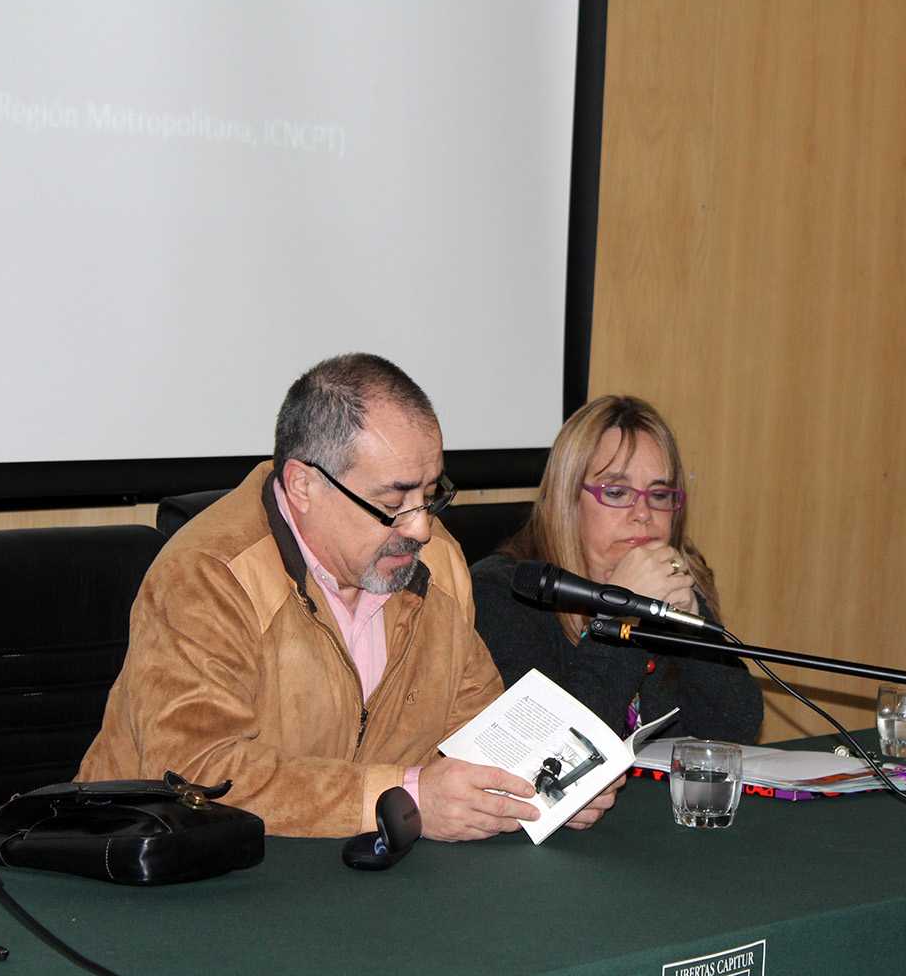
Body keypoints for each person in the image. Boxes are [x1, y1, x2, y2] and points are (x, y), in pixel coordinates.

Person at [77, 353, 618, 841]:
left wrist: (543, 783)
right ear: (303, 486)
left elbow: (476, 728)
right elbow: (197, 773)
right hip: (163, 870)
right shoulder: (208, 575)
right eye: (393, 502)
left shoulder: (436, 564)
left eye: (431, 494)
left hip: (355, 878)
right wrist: (404, 797)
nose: (421, 528)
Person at [471, 395, 763, 743]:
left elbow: (735, 732)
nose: (643, 513)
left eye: (659, 495)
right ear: (567, 501)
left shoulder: (675, 579)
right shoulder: (503, 595)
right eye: (616, 492)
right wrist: (620, 615)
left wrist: (692, 627)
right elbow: (551, 752)